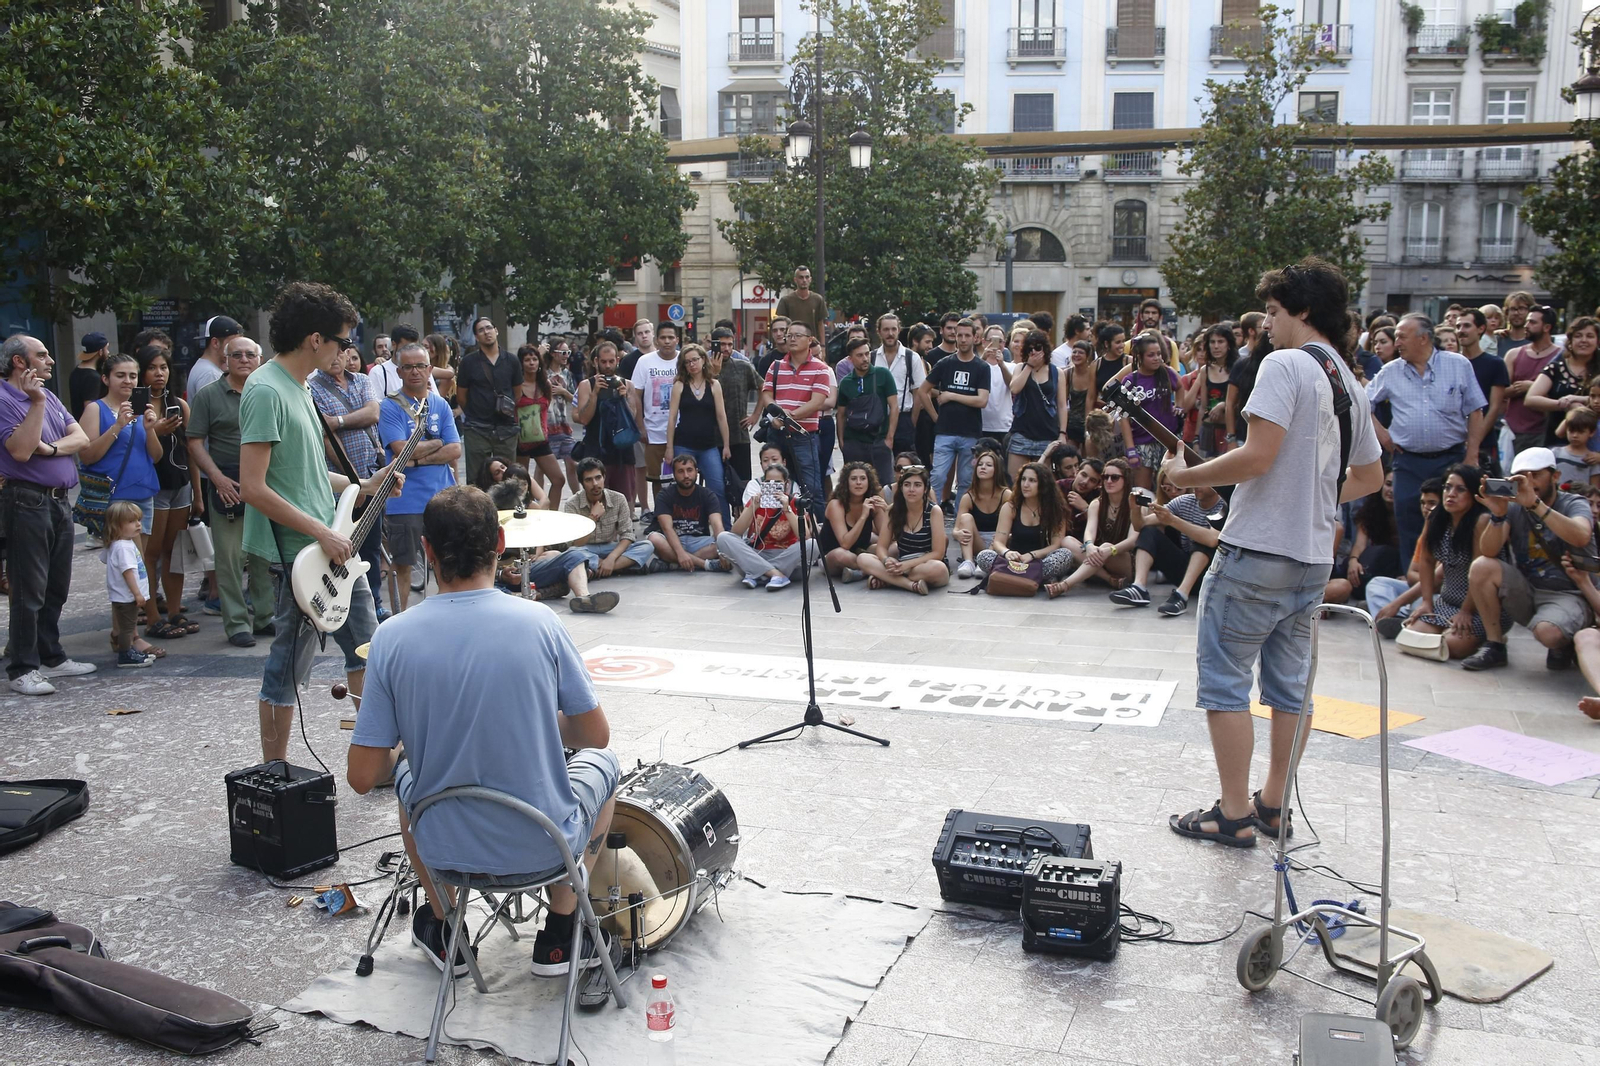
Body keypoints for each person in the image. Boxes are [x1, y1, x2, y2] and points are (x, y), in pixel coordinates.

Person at [346, 485, 619, 976]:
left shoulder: (390, 637)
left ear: (426, 550)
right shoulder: (540, 622)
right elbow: (593, 735)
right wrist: (538, 723)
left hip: (445, 849)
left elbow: (364, 776)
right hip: (543, 846)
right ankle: (559, 931)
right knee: (606, 764)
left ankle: (447, 925)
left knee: (408, 783)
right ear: (499, 542)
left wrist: (406, 742)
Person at [1161, 257, 1384, 848]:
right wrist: (1308, 492)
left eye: (1276, 312)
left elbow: (1257, 456)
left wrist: (1186, 478)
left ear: (1304, 311)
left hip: (1256, 550)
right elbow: (1369, 476)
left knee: (1226, 681)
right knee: (1290, 688)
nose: (1267, 325)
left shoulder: (1285, 364)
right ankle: (1274, 804)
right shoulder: (1347, 377)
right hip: (1312, 557)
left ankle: (1232, 813)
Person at [242, 282, 398, 763]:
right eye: (342, 340)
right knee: (288, 666)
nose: (345, 351)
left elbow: (304, 473)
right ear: (315, 339)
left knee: (367, 650)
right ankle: (274, 771)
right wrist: (323, 533)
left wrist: (363, 486)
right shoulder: (266, 389)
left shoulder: (301, 388)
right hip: (300, 555)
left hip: (333, 547)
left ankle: (376, 760)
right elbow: (254, 486)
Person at [0, 334, 96, 694]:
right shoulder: (7, 398)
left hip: (58, 501)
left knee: (56, 584)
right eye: (41, 355)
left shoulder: (52, 396)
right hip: (27, 501)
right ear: (19, 362)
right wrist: (35, 401)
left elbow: (81, 439)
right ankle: (23, 666)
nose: (51, 360)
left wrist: (51, 448)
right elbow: (22, 451)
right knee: (29, 587)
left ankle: (51, 655)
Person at [1462, 447, 1599, 672]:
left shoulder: (1573, 502)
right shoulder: (1515, 506)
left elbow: (1581, 535)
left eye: (1535, 475)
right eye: (1521, 476)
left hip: (1569, 593)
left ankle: (1564, 641)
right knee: (1482, 567)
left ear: (1555, 476)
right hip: (1529, 588)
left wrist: (1536, 505)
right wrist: (1498, 515)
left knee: (1548, 633)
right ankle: (1495, 645)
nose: (1528, 481)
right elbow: (1488, 551)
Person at [1366, 314, 1486, 567]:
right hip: (1408, 462)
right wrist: (1383, 434)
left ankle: (1450, 582)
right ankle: (1412, 583)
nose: (1396, 342)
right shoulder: (1390, 371)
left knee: (1453, 521)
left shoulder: (1458, 365)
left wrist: (1472, 455)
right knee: (1409, 521)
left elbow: (1476, 410)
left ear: (1423, 338)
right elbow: (1362, 404)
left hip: (1451, 459)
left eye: (1401, 336)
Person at [188, 335, 274, 647]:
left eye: (250, 354)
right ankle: (237, 623)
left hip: (265, 483)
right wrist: (217, 479)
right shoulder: (209, 395)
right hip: (228, 484)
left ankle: (265, 617)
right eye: (236, 354)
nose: (243, 359)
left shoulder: (267, 392)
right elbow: (194, 441)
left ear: (260, 359)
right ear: (226, 360)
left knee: (264, 555)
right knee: (229, 558)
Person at [310, 331, 388, 617]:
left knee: (371, 545)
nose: (339, 357)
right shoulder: (313, 387)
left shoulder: (363, 380)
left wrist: (339, 420)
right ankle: (339, 603)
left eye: (345, 352)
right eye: (336, 351)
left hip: (371, 472)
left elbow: (373, 413)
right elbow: (326, 436)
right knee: (342, 545)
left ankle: (374, 603)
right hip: (340, 482)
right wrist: (354, 484)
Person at [379, 343, 461, 611]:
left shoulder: (440, 404)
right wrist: (435, 444)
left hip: (442, 499)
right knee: (402, 565)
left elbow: (455, 449)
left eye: (420, 366)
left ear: (429, 369)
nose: (415, 372)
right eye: (408, 367)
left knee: (447, 563)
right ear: (399, 371)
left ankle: (443, 615)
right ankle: (399, 619)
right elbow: (399, 449)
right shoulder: (390, 406)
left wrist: (415, 459)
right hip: (404, 501)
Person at [135, 344, 200, 641]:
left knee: (174, 552)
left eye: (163, 367)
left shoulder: (179, 404)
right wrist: (154, 431)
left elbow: (191, 452)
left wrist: (198, 493)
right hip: (152, 486)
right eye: (152, 368)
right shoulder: (136, 406)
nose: (158, 373)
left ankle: (174, 610)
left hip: (180, 484)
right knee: (150, 552)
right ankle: (151, 615)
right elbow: (133, 448)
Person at [1399, 464, 1497, 660]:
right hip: (1446, 601)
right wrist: (1427, 602)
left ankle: (1489, 638)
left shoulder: (1482, 520)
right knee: (1412, 638)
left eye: (1460, 489)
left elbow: (1479, 572)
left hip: (1478, 606)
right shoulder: (1436, 516)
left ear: (1474, 494)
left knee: (1451, 647)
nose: (1451, 494)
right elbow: (1426, 560)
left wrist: (1466, 611)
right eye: (1447, 487)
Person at [488, 481, 620, 613]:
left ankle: (584, 598)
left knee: (575, 555)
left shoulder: (527, 517)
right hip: (497, 580)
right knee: (483, 589)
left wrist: (538, 556)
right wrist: (500, 574)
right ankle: (524, 597)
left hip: (526, 572)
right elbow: (476, 569)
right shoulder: (484, 529)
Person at [78, 351, 164, 551]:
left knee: (141, 561)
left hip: (144, 493)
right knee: (126, 563)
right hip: (116, 498)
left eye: (133, 376)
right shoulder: (95, 409)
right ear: (106, 379)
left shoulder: (142, 410)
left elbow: (156, 456)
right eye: (120, 375)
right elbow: (87, 456)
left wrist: (150, 429)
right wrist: (117, 426)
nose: (128, 381)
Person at [1117, 465, 1228, 617]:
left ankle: (1181, 596)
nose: (1195, 485)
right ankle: (1139, 587)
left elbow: (1212, 540)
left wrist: (1173, 521)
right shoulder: (1184, 501)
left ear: (1218, 483)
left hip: (1211, 576)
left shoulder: (1224, 507)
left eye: (1202, 480)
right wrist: (1135, 509)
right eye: (1194, 479)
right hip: (1185, 568)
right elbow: (1140, 524)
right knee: (1149, 531)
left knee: (1202, 540)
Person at [759, 322, 834, 521]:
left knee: (811, 489)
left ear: (809, 340)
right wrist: (776, 415)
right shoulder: (776, 366)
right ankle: (773, 530)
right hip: (776, 434)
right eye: (789, 335)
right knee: (774, 485)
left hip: (804, 435)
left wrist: (787, 417)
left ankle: (817, 533)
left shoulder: (821, 369)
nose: (791, 338)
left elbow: (817, 402)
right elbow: (766, 394)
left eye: (797, 335)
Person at [718, 461, 817, 590]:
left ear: (786, 484)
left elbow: (805, 536)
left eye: (777, 483)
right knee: (723, 537)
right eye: (768, 482)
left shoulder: (794, 502)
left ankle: (760, 574)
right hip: (758, 554)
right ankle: (775, 574)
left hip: (787, 558)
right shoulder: (756, 502)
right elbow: (735, 532)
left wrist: (787, 509)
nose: (772, 486)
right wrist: (752, 508)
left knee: (812, 544)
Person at [973, 461, 1073, 588]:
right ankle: (1030, 578)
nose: (1025, 484)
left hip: (1039, 562)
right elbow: (998, 542)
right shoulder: (1010, 507)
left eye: (1032, 481)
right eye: (1023, 479)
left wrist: (1031, 555)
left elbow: (1055, 545)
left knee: (1065, 555)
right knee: (983, 556)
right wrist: (1007, 552)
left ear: (1043, 485)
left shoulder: (1056, 509)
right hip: (1013, 562)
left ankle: (1016, 577)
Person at [1047, 457, 1136, 598]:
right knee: (1067, 540)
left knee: (1105, 546)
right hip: (1098, 557)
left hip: (1124, 560)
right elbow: (1090, 531)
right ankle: (1110, 579)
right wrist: (1089, 545)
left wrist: (1110, 550)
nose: (1109, 481)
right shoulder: (1097, 503)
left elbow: (1132, 541)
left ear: (1126, 480)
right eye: (1105, 477)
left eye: (1115, 477)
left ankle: (1064, 585)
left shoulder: (1135, 505)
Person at [925, 318, 990, 508]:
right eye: (959, 335)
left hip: (970, 432)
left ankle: (960, 517)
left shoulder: (982, 367)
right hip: (945, 431)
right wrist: (936, 417)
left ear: (975, 337)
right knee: (937, 476)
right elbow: (923, 391)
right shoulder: (945, 363)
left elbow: (982, 400)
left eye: (966, 335)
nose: (962, 339)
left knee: (966, 480)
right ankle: (931, 514)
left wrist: (952, 395)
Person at [1109, 335, 1187, 491]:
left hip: (1167, 439)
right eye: (1151, 355)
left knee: (1169, 487)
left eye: (1159, 354)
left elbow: (1180, 387)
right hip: (1142, 441)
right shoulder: (1131, 380)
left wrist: (1179, 406)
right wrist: (1130, 449)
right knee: (1142, 490)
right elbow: (1123, 416)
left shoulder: (1167, 373)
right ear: (1140, 357)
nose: (1157, 358)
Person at [856, 464, 948, 595]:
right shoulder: (892, 510)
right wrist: (886, 560)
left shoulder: (934, 511)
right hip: (901, 563)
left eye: (917, 485)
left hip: (924, 564)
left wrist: (907, 566)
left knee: (938, 569)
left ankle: (888, 580)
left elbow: (938, 553)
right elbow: (881, 547)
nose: (911, 489)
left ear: (925, 489)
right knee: (863, 558)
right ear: (901, 487)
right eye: (907, 485)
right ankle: (910, 585)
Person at [665, 344, 732, 522]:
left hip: (709, 445)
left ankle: (725, 531)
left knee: (717, 487)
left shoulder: (714, 385)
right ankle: (688, 525)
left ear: (703, 360)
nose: (692, 364)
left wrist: (726, 445)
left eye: (695, 359)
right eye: (687, 362)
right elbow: (672, 418)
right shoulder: (679, 385)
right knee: (685, 487)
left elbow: (721, 416)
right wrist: (669, 447)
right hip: (683, 443)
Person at [562, 458, 656, 577]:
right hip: (585, 549)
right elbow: (575, 544)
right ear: (582, 482)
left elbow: (627, 535)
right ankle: (621, 567)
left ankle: (600, 570)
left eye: (598, 478)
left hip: (610, 547)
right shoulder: (572, 504)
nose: (595, 484)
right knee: (571, 553)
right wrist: (593, 517)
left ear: (604, 477)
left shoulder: (618, 498)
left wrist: (611, 559)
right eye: (589, 480)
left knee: (647, 546)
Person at [457, 316, 521, 484]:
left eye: (489, 328)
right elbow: (462, 396)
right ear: (477, 337)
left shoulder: (512, 360)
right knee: (476, 478)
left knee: (509, 478)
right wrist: (475, 412)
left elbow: (517, 393)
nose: (486, 332)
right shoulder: (468, 362)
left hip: (506, 428)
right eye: (481, 330)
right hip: (477, 428)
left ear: (496, 330)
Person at [573, 340, 639, 499]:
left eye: (611, 361)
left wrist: (624, 399)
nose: (608, 366)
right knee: (595, 499)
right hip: (596, 449)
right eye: (603, 362)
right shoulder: (586, 385)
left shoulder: (627, 384)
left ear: (617, 360)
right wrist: (595, 394)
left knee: (624, 500)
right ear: (596, 361)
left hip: (622, 452)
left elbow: (633, 417)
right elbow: (584, 419)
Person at [1323, 469, 1400, 604]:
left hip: (1394, 570)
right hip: (1369, 568)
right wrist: (1353, 560)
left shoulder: (1409, 518)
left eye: (1397, 485)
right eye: (1388, 484)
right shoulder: (1370, 512)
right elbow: (1360, 544)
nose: (1391, 490)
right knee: (1347, 582)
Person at [1524, 315, 1599, 448]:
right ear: (1569, 341)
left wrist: (1581, 400)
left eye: (1590, 336)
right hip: (1558, 440)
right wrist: (1565, 405)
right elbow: (1531, 399)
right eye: (1578, 336)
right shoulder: (1556, 367)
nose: (1583, 340)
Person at [629, 320, 682, 506]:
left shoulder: (685, 360)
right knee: (657, 478)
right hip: (653, 431)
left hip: (681, 431)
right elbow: (636, 395)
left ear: (677, 339)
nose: (667, 341)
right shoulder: (644, 362)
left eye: (670, 337)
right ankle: (660, 512)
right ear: (657, 340)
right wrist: (640, 426)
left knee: (682, 476)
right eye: (663, 338)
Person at [1005, 329, 1069, 481]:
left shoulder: (1056, 372)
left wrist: (1062, 432)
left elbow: (1061, 404)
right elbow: (1014, 388)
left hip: (1046, 432)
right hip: (1022, 431)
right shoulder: (1020, 368)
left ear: (1045, 349)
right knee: (1014, 481)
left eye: (1038, 348)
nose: (1034, 351)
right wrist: (1029, 365)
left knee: (1043, 483)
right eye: (1030, 348)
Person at [646, 454, 727, 572]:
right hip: (673, 542)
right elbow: (667, 528)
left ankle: (673, 565)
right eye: (680, 471)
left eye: (689, 470)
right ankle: (705, 564)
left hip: (700, 542)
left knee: (729, 542)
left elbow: (717, 525)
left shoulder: (707, 495)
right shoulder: (664, 495)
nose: (686, 475)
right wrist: (680, 553)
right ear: (674, 474)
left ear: (696, 472)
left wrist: (722, 551)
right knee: (653, 538)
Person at [835, 335, 897, 488]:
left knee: (885, 486)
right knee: (854, 487)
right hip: (854, 442)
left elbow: (894, 407)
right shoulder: (846, 382)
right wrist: (842, 442)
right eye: (860, 355)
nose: (865, 358)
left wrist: (889, 438)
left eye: (867, 353)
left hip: (879, 441)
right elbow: (841, 414)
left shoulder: (883, 374)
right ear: (850, 359)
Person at [100, 500, 155, 668]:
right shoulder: (123, 547)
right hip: (127, 596)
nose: (138, 525)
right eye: (131, 522)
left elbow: (104, 559)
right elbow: (128, 572)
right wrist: (137, 594)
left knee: (127, 625)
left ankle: (129, 650)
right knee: (127, 628)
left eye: (138, 520)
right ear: (116, 526)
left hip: (122, 595)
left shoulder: (118, 544)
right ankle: (125, 654)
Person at [512, 342, 566, 510]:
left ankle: (553, 516)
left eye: (535, 359)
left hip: (541, 439)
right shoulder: (516, 386)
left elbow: (546, 405)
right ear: (520, 363)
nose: (532, 363)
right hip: (520, 441)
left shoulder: (545, 384)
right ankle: (525, 515)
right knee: (520, 485)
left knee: (558, 479)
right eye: (527, 360)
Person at [1503, 306, 1563, 455]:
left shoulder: (1561, 357)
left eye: (1532, 322)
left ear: (1547, 327)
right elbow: (1500, 391)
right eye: (1527, 322)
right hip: (1512, 431)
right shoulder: (1514, 354)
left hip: (1545, 431)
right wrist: (1518, 388)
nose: (1526, 326)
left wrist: (1533, 387)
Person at [1457, 308, 1509, 475]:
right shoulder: (1450, 363)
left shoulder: (1495, 364)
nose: (1461, 331)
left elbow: (1494, 407)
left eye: (1466, 326)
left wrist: (1474, 441)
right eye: (1458, 326)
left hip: (1485, 442)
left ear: (1481, 329)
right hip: (1454, 443)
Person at [710, 331, 761, 490]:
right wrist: (713, 373)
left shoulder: (743, 367)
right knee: (717, 485)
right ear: (714, 345)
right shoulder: (701, 369)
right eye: (722, 344)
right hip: (712, 437)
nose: (726, 348)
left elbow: (764, 388)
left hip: (739, 435)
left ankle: (741, 515)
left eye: (730, 345)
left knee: (743, 485)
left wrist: (755, 415)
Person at [820, 461, 884, 582]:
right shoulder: (836, 505)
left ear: (869, 482)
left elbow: (887, 538)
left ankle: (862, 572)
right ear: (846, 482)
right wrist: (863, 516)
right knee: (841, 555)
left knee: (893, 549)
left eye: (863, 478)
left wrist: (886, 511)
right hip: (834, 556)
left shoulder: (873, 502)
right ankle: (875, 571)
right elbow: (845, 544)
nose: (858, 483)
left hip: (861, 552)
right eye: (854, 479)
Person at [953, 448, 1010, 579]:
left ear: (997, 470)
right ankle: (968, 562)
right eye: (980, 464)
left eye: (988, 465)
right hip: (976, 540)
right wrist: (958, 534)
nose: (983, 467)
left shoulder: (1006, 494)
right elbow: (956, 529)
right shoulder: (968, 496)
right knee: (966, 518)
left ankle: (987, 562)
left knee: (1002, 531)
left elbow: (1012, 525)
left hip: (999, 541)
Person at [1184, 325, 1237, 458]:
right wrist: (1196, 438)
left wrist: (1223, 405)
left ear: (1229, 344)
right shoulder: (1205, 370)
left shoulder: (1238, 367)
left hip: (1230, 431)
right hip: (1207, 430)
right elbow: (1203, 407)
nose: (1216, 346)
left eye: (1220, 342)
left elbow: (1243, 400)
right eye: (1212, 342)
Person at [542, 343, 578, 496]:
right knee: (542, 466)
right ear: (552, 354)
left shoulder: (567, 374)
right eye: (563, 352)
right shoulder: (542, 373)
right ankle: (538, 498)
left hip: (563, 426)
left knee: (572, 463)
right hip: (546, 426)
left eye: (567, 352)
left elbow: (575, 399)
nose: (566, 356)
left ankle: (579, 496)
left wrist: (564, 392)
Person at [185, 316, 242, 400]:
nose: (236, 348)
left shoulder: (206, 369)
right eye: (232, 343)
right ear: (215, 343)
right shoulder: (210, 374)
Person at [978, 325, 1014, 447]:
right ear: (983, 342)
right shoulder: (978, 365)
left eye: (1000, 341)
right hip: (980, 425)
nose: (996, 344)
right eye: (992, 340)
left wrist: (1002, 364)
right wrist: (983, 358)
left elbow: (1013, 386)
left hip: (1004, 426)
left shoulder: (1012, 367)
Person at [774, 265, 827, 338]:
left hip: (813, 343)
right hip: (792, 342)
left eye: (807, 277)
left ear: (810, 279)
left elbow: (820, 324)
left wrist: (823, 345)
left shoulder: (818, 299)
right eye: (801, 277)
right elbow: (781, 325)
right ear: (795, 280)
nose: (804, 280)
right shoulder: (786, 300)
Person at [1553, 407, 1600, 488]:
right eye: (1571, 431)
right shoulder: (1555, 453)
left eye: (1580, 432)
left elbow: (1594, 489)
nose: (1575, 435)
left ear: (1591, 432)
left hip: (1581, 499)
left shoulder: (1592, 459)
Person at [1136, 298, 1181, 370]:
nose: (1150, 316)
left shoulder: (1170, 344)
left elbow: (1175, 373)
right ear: (1141, 316)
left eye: (1154, 313)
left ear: (1160, 317)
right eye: (1147, 312)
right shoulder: (1131, 343)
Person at [70, 332, 107, 418]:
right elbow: (90, 409)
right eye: (107, 349)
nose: (108, 352)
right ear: (100, 351)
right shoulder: (93, 377)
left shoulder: (76, 371)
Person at [1495, 290, 1534, 357]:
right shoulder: (1497, 340)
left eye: (1521, 309)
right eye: (1513, 309)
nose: (1516, 313)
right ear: (1507, 312)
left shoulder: (1535, 341)